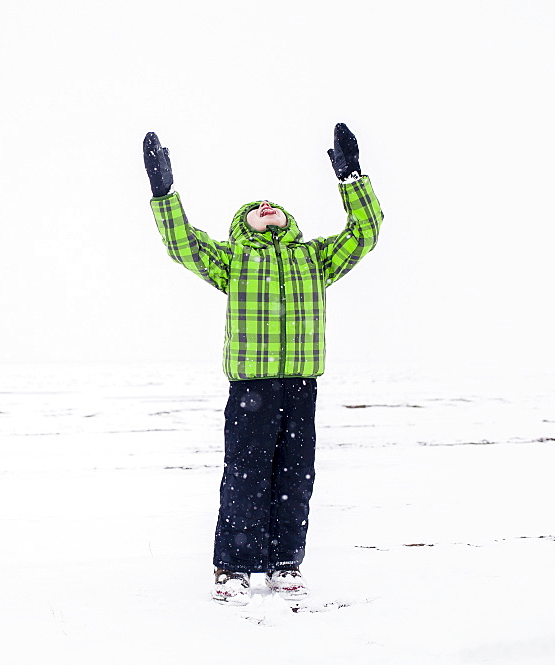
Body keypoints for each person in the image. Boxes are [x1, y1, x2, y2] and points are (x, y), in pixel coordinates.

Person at [142, 124, 383, 605]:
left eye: (273, 205)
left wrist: (352, 179)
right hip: (251, 387)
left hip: (300, 385)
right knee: (246, 476)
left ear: (289, 220)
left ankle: (285, 563)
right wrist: (164, 193)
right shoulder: (232, 259)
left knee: (295, 477)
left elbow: (364, 234)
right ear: (241, 223)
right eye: (255, 206)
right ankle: (233, 568)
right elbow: (183, 244)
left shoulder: (312, 257)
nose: (265, 206)